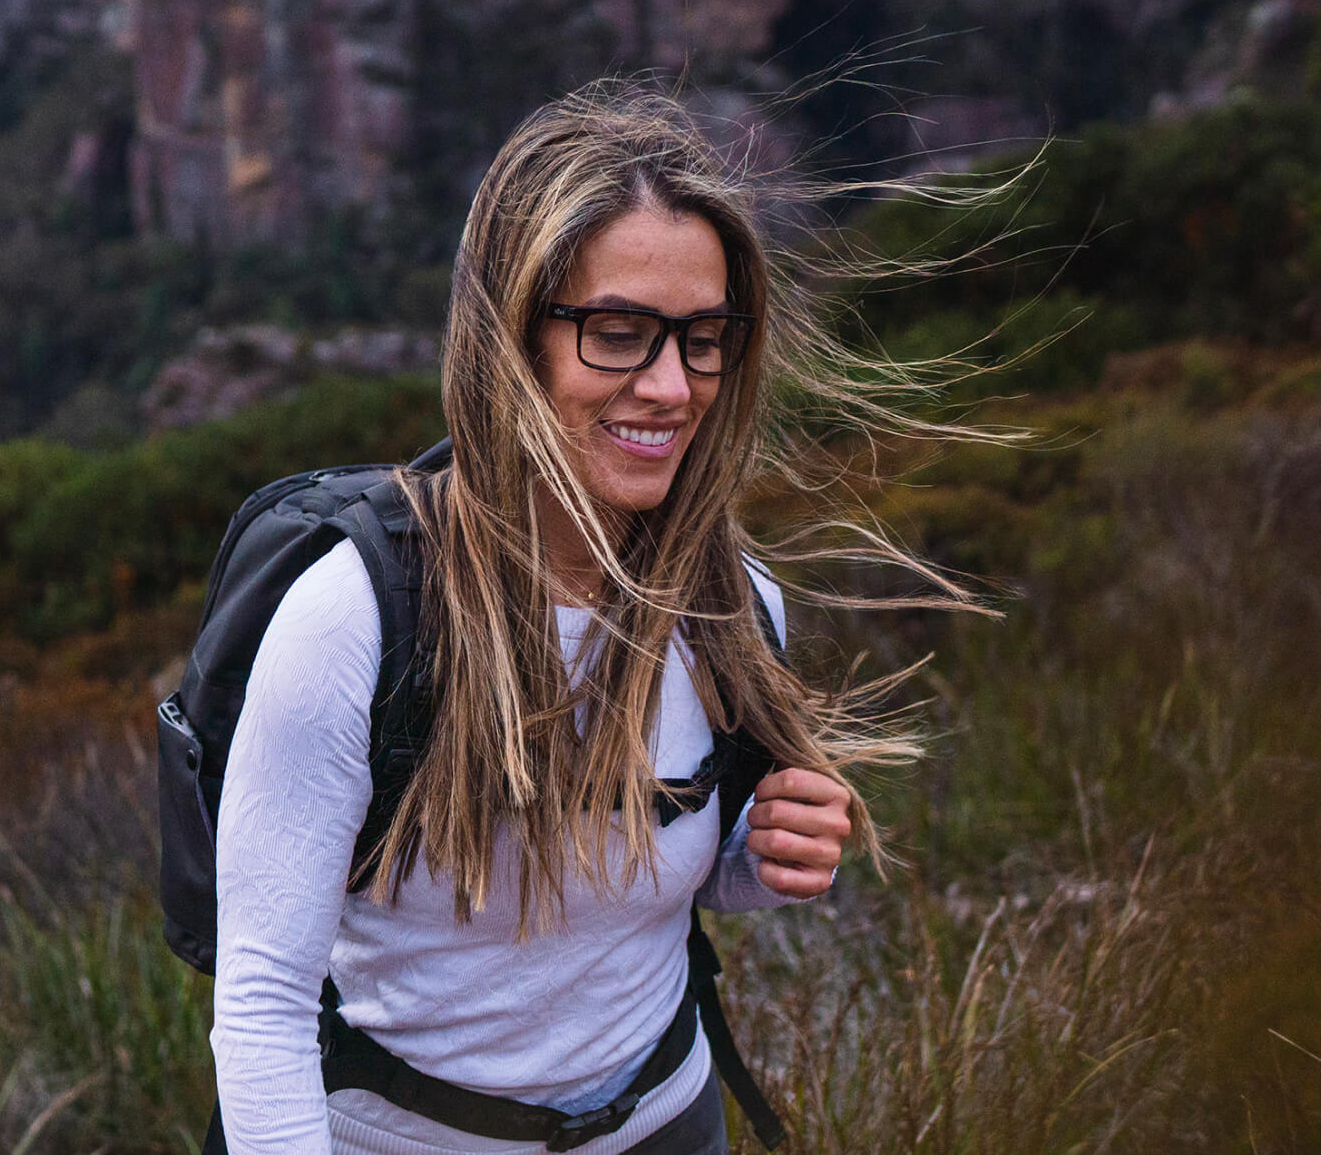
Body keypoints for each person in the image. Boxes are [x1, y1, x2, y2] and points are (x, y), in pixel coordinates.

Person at [209, 81, 940, 1155]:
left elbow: (653, 890)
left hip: (665, 1123)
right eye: (617, 332)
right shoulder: (357, 622)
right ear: (514, 338)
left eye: (705, 337)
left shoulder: (734, 607)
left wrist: (761, 855)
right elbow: (263, 1000)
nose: (672, 386)